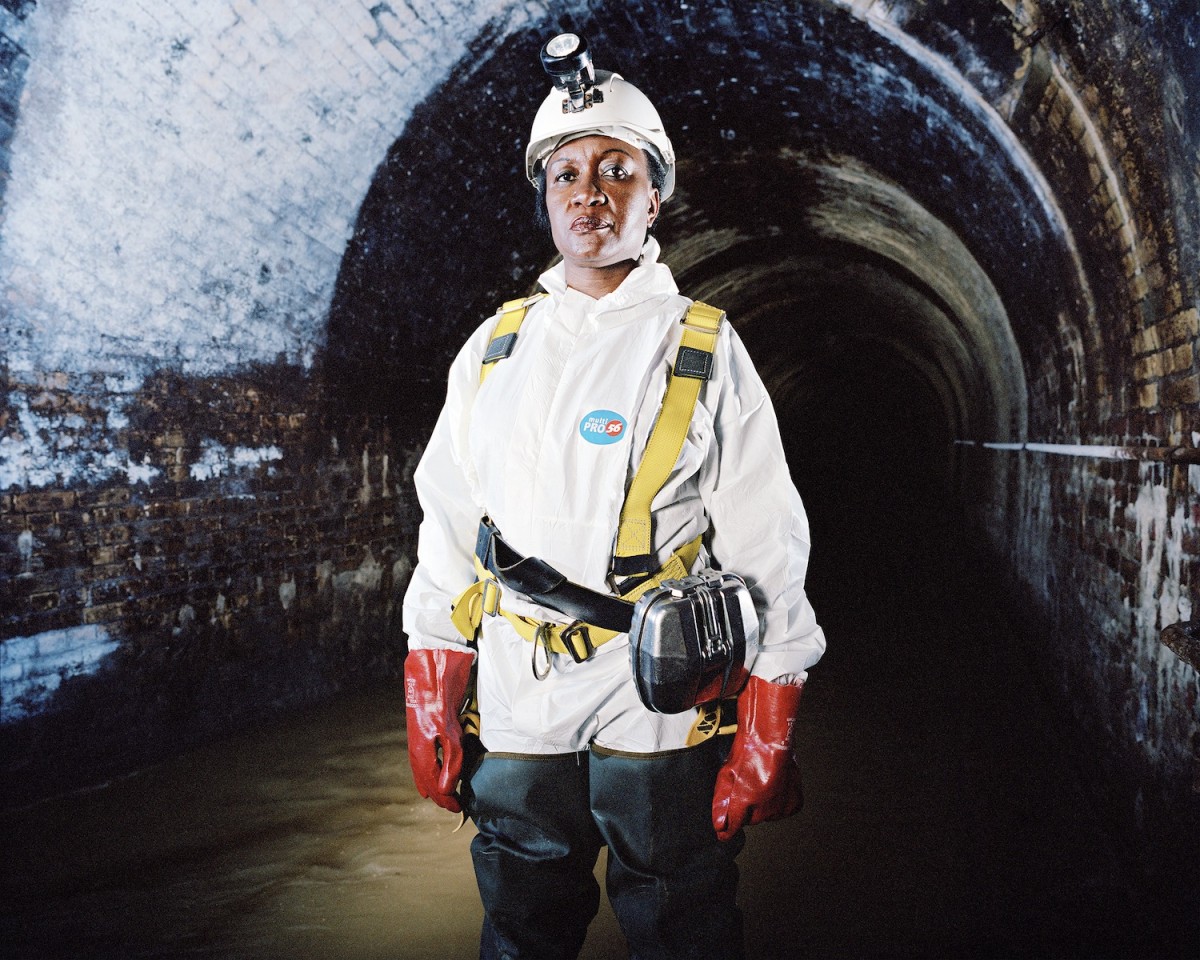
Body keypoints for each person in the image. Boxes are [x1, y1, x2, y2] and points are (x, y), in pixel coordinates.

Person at [402, 35, 826, 960]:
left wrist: (770, 708)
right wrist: (434, 671)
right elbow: (448, 519)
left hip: (660, 691)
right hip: (521, 686)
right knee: (521, 919)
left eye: (616, 170)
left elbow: (764, 534)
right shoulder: (495, 347)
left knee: (679, 913)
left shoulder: (702, 346)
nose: (588, 192)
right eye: (567, 173)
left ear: (655, 193)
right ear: (545, 194)